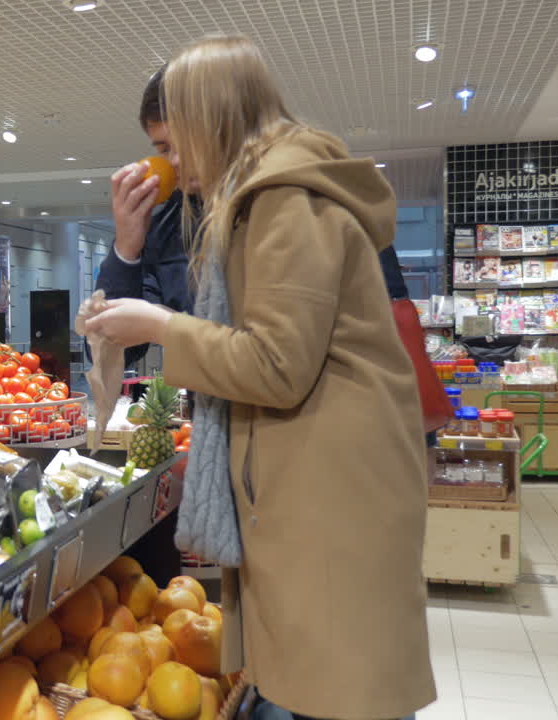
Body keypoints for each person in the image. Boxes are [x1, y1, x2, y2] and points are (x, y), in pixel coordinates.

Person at [85, 35, 434, 720]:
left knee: (339, 687)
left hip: (328, 489)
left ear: (210, 119)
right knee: (319, 679)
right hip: (311, 479)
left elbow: (277, 365)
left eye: (173, 143)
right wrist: (128, 255)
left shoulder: (285, 200)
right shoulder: (247, 199)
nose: (170, 164)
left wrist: (163, 327)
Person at [98, 69, 193, 368]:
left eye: (190, 142)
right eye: (165, 148)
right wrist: (126, 248)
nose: (176, 160)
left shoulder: (272, 209)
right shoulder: (166, 224)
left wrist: (164, 325)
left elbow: (274, 356)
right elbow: (110, 353)